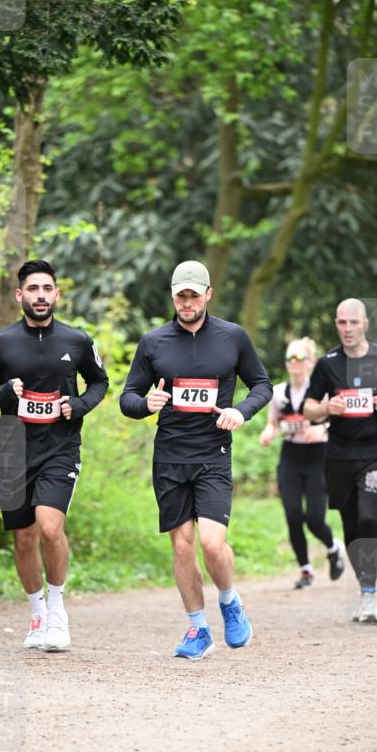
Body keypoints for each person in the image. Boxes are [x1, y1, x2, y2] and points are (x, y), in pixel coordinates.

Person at [119, 260, 272, 660]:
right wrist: (144, 403)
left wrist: (241, 411)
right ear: (173, 296)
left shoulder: (232, 337)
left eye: (193, 295)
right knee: (183, 546)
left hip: (213, 453)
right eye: (180, 295)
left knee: (211, 543)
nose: (186, 303)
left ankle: (229, 599)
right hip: (169, 456)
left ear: (208, 295)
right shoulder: (153, 342)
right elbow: (127, 397)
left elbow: (262, 384)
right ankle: (198, 629)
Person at [0, 260, 109, 651]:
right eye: (33, 289)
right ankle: (37, 615)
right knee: (24, 538)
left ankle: (58, 611)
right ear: (20, 295)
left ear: (57, 294)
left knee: (49, 526)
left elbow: (100, 382)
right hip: (14, 447)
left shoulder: (77, 341)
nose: (41, 295)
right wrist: (2, 394)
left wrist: (78, 406)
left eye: (48, 288)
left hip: (60, 447)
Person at [304, 298, 377, 624]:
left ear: (365, 323)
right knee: (351, 523)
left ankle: (369, 592)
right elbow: (308, 407)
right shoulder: (327, 364)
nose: (348, 329)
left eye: (353, 322)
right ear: (336, 325)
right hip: (339, 454)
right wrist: (326, 409)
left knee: (368, 516)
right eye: (342, 322)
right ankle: (365, 588)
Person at [260, 337, 345, 589]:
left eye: (299, 358)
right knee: (293, 515)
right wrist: (269, 432)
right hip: (290, 457)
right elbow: (273, 421)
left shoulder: (321, 391)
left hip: (318, 457)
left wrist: (322, 431)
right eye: (289, 358)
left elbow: (337, 421)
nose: (293, 363)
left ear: (310, 362)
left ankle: (333, 548)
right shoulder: (278, 392)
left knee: (315, 518)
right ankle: (306, 570)